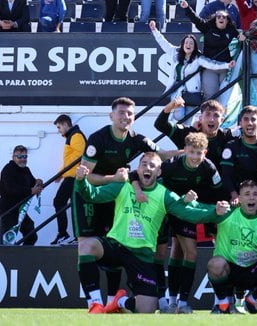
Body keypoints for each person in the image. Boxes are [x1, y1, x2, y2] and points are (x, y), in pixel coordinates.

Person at [74, 151, 230, 314]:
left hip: (142, 255)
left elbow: (189, 212)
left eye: (152, 165)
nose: (147, 168)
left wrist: (215, 212)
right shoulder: (123, 185)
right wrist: (81, 180)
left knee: (147, 309)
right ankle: (95, 303)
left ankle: (120, 301)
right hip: (117, 246)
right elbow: (92, 195)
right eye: (144, 164)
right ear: (138, 169)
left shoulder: (165, 195)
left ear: (159, 172)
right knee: (86, 245)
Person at [75, 97, 171, 313]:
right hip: (89, 194)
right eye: (121, 112)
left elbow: (162, 154)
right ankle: (94, 303)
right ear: (112, 116)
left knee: (115, 239)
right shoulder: (97, 139)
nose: (125, 117)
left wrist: (188, 154)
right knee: (86, 246)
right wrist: (114, 179)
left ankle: (113, 300)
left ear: (134, 117)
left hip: (116, 191)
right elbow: (87, 178)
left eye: (129, 113)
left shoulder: (137, 139)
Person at [131, 133, 227, 314]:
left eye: (199, 153)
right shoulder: (171, 164)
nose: (195, 157)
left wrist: (218, 208)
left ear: (205, 152)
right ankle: (166, 300)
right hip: (163, 212)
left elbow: (219, 192)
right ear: (185, 150)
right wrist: (137, 189)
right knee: (162, 253)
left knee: (189, 252)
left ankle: (182, 302)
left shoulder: (209, 168)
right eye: (191, 152)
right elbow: (135, 174)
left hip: (187, 212)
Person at [207, 179, 257, 314]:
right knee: (215, 264)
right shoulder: (226, 212)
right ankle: (223, 304)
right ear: (239, 198)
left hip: (253, 270)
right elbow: (199, 214)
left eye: (256, 194)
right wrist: (184, 202)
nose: (251, 197)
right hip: (230, 269)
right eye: (247, 194)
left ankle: (253, 299)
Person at [149, 20, 234, 119]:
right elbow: (163, 43)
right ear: (182, 44)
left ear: (194, 47)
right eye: (186, 43)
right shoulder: (175, 53)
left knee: (189, 119)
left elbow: (212, 64)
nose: (188, 45)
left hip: (192, 94)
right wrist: (154, 30)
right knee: (178, 116)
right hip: (177, 92)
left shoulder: (198, 58)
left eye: (191, 43)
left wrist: (227, 65)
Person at [180, 0, 240, 99]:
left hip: (226, 68)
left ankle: (222, 115)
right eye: (218, 17)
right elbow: (196, 19)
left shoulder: (232, 31)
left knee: (226, 97)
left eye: (224, 17)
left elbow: (241, 40)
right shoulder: (208, 28)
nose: (221, 18)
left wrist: (242, 37)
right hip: (209, 67)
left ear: (227, 20)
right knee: (210, 97)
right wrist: (187, 7)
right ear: (215, 19)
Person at [220, 106, 257, 201]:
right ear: (240, 123)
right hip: (238, 195)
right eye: (246, 119)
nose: (250, 123)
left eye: (253, 119)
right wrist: (234, 194)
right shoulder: (232, 146)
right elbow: (226, 175)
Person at [51, 114, 86, 246]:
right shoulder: (72, 136)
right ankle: (71, 235)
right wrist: (61, 173)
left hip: (74, 177)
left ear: (66, 124)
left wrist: (63, 173)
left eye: (59, 127)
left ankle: (66, 234)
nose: (59, 130)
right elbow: (70, 160)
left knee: (60, 202)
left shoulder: (76, 135)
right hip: (72, 176)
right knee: (70, 205)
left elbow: (78, 157)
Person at [0, 145, 43, 245]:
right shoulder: (8, 169)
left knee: (31, 235)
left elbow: (33, 183)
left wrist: (39, 182)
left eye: (25, 157)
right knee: (6, 239)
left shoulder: (26, 170)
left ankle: (23, 257)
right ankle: (5, 258)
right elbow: (10, 189)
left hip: (20, 210)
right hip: (8, 209)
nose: (22, 159)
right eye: (19, 157)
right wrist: (30, 191)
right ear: (13, 157)